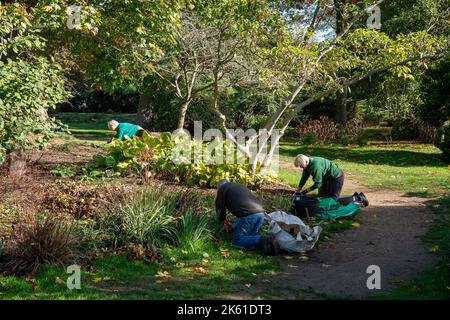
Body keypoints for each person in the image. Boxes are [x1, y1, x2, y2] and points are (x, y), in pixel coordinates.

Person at [215, 179, 279, 255]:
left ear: (219, 187)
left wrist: (221, 221)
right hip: (261, 214)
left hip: (248, 215)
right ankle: (267, 243)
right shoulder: (239, 186)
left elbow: (220, 208)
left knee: (236, 241)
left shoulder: (223, 188)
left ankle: (264, 239)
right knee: (249, 238)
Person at [294, 154, 369, 206]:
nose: (300, 167)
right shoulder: (307, 165)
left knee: (333, 201)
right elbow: (304, 177)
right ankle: (354, 197)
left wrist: (305, 191)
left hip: (336, 177)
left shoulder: (315, 166)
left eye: (301, 166)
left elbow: (318, 184)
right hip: (326, 179)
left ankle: (358, 198)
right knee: (322, 199)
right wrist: (299, 189)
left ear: (305, 162)